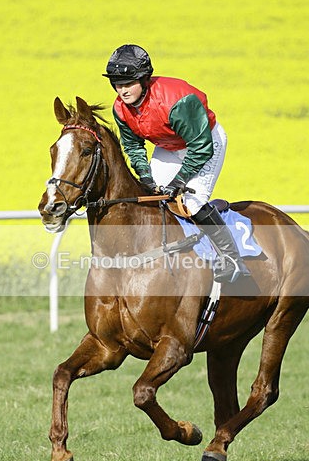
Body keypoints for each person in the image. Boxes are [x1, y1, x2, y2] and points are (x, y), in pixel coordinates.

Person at [103, 43, 250, 282]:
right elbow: (133, 146)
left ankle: (232, 259)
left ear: (144, 79)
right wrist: (146, 177)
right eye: (117, 84)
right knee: (154, 197)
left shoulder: (177, 102)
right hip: (170, 146)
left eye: (128, 83)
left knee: (191, 202)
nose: (122, 91)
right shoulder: (120, 109)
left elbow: (201, 148)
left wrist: (180, 181)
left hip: (204, 143)